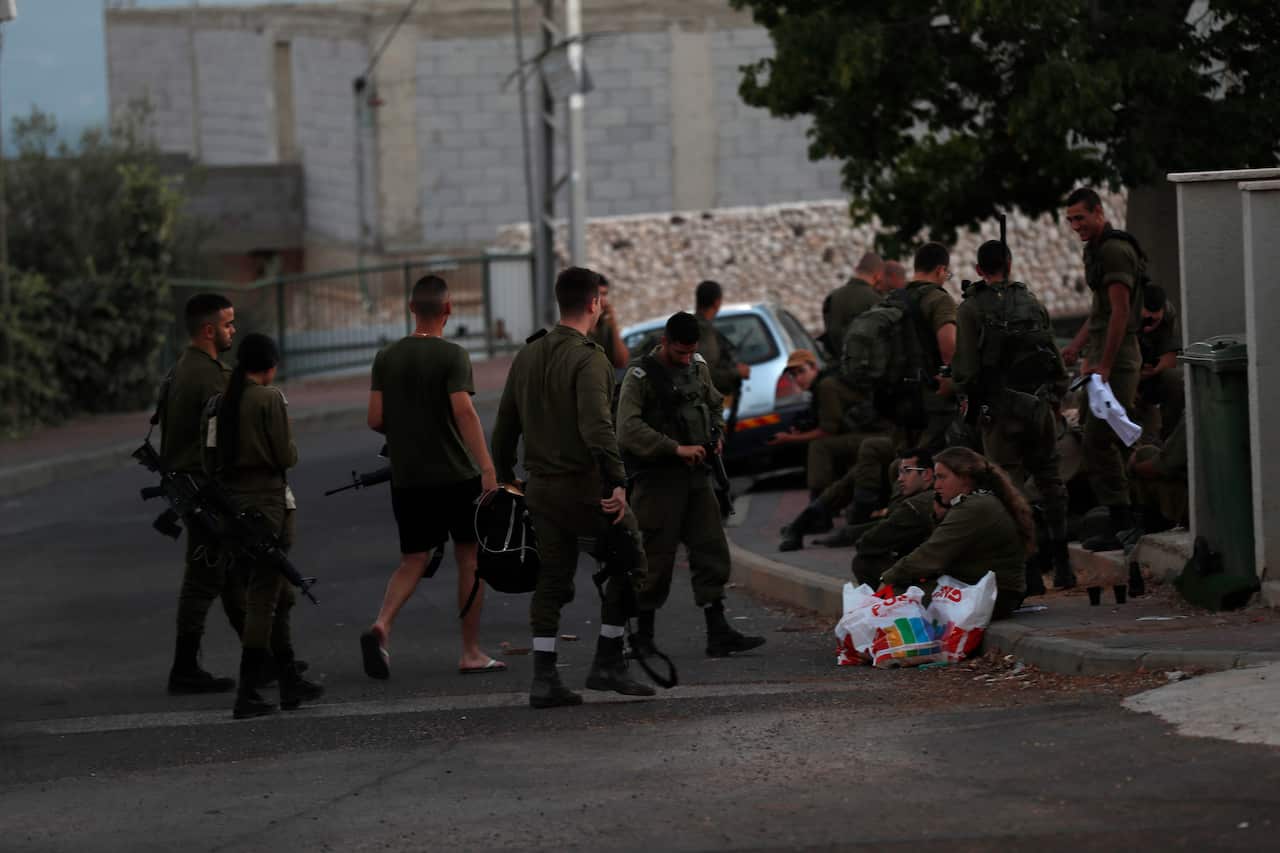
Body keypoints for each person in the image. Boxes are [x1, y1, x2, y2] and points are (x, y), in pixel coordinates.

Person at [491, 266, 654, 709]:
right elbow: (598, 428)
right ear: (594, 304)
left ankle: (544, 678)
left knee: (551, 579)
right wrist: (617, 483)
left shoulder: (527, 356)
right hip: (585, 490)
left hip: (540, 491)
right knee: (631, 558)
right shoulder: (590, 358)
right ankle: (607, 661)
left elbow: (504, 427)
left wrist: (508, 480)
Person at [360, 274, 503, 681]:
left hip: (408, 479)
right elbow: (463, 411)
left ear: (410, 310)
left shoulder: (386, 357)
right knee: (469, 558)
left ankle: (382, 625)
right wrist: (488, 469)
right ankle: (471, 652)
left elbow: (375, 419)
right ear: (448, 309)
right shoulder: (453, 355)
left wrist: (408, 426)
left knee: (413, 560)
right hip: (456, 476)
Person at [616, 311, 765, 658]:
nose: (685, 359)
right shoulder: (641, 375)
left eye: (690, 351)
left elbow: (713, 402)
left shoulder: (697, 366)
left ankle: (718, 630)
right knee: (654, 558)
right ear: (664, 342)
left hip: (697, 476)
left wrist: (716, 433)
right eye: (679, 352)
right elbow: (628, 429)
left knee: (710, 548)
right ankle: (642, 637)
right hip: (658, 480)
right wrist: (674, 448)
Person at [208, 333, 324, 719]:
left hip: (233, 508)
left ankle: (289, 679)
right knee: (264, 597)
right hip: (269, 505)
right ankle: (248, 691)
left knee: (278, 595)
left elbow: (210, 460)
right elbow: (286, 455)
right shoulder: (270, 399)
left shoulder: (219, 404)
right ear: (271, 365)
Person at [953, 240, 1074, 591]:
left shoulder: (971, 309)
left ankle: (1031, 571)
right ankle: (1064, 565)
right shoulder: (1031, 302)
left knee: (1011, 488)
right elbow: (1051, 352)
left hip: (1001, 413)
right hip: (1040, 407)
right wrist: (1054, 397)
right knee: (1051, 482)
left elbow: (966, 369)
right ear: (1010, 262)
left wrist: (965, 395)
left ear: (978, 270)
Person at [159, 293, 244, 694]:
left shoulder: (184, 368)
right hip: (205, 490)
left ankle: (265, 657)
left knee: (229, 577)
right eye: (228, 324)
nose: (233, 330)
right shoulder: (208, 376)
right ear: (208, 330)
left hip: (191, 486)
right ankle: (184, 668)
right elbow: (227, 438)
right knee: (204, 578)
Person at [1062, 187, 1146, 551]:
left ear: (1099, 212)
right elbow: (1099, 311)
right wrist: (1077, 347)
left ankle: (1127, 518)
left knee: (1102, 438)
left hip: (1118, 358)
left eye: (1081, 217)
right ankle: (1123, 516)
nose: (1076, 226)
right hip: (1101, 356)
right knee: (1096, 438)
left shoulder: (1113, 249)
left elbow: (1121, 312)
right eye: (1071, 220)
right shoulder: (1096, 249)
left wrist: (1105, 366)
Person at [880, 446, 1035, 620]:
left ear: (965, 477)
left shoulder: (975, 507)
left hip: (994, 596)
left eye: (942, 477)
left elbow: (931, 554)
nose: (936, 485)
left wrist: (887, 578)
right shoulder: (980, 500)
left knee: (895, 595)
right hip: (991, 590)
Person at [769, 349, 886, 542]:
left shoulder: (826, 386)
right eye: (794, 374)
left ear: (813, 367)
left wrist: (789, 439)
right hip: (865, 434)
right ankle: (822, 511)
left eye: (801, 371)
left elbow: (827, 431)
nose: (798, 379)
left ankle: (819, 513)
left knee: (819, 447)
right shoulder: (823, 384)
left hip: (877, 436)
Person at [849, 448, 938, 587]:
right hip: (936, 565)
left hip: (933, 574)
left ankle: (879, 604)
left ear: (926, 474)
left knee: (863, 562)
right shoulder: (921, 495)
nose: (900, 479)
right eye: (900, 472)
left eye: (907, 471)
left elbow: (871, 540)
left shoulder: (916, 504)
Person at [1135, 285, 1184, 442]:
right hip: (1122, 373)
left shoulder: (1168, 314)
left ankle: (1168, 441)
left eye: (1153, 320)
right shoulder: (1125, 311)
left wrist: (1154, 370)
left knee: (1176, 379)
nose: (1148, 324)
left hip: (1150, 373)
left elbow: (1171, 357)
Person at [693, 280, 750, 400]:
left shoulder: (691, 326)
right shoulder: (703, 332)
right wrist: (737, 372)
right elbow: (706, 374)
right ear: (717, 302)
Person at [822, 252, 884, 360]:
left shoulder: (832, 297)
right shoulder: (876, 301)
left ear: (856, 269)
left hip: (835, 367)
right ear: (878, 275)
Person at [588, 275, 629, 370]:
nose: (603, 300)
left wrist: (614, 324)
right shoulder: (578, 326)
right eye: (599, 294)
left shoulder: (605, 325)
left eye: (605, 294)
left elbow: (622, 362)